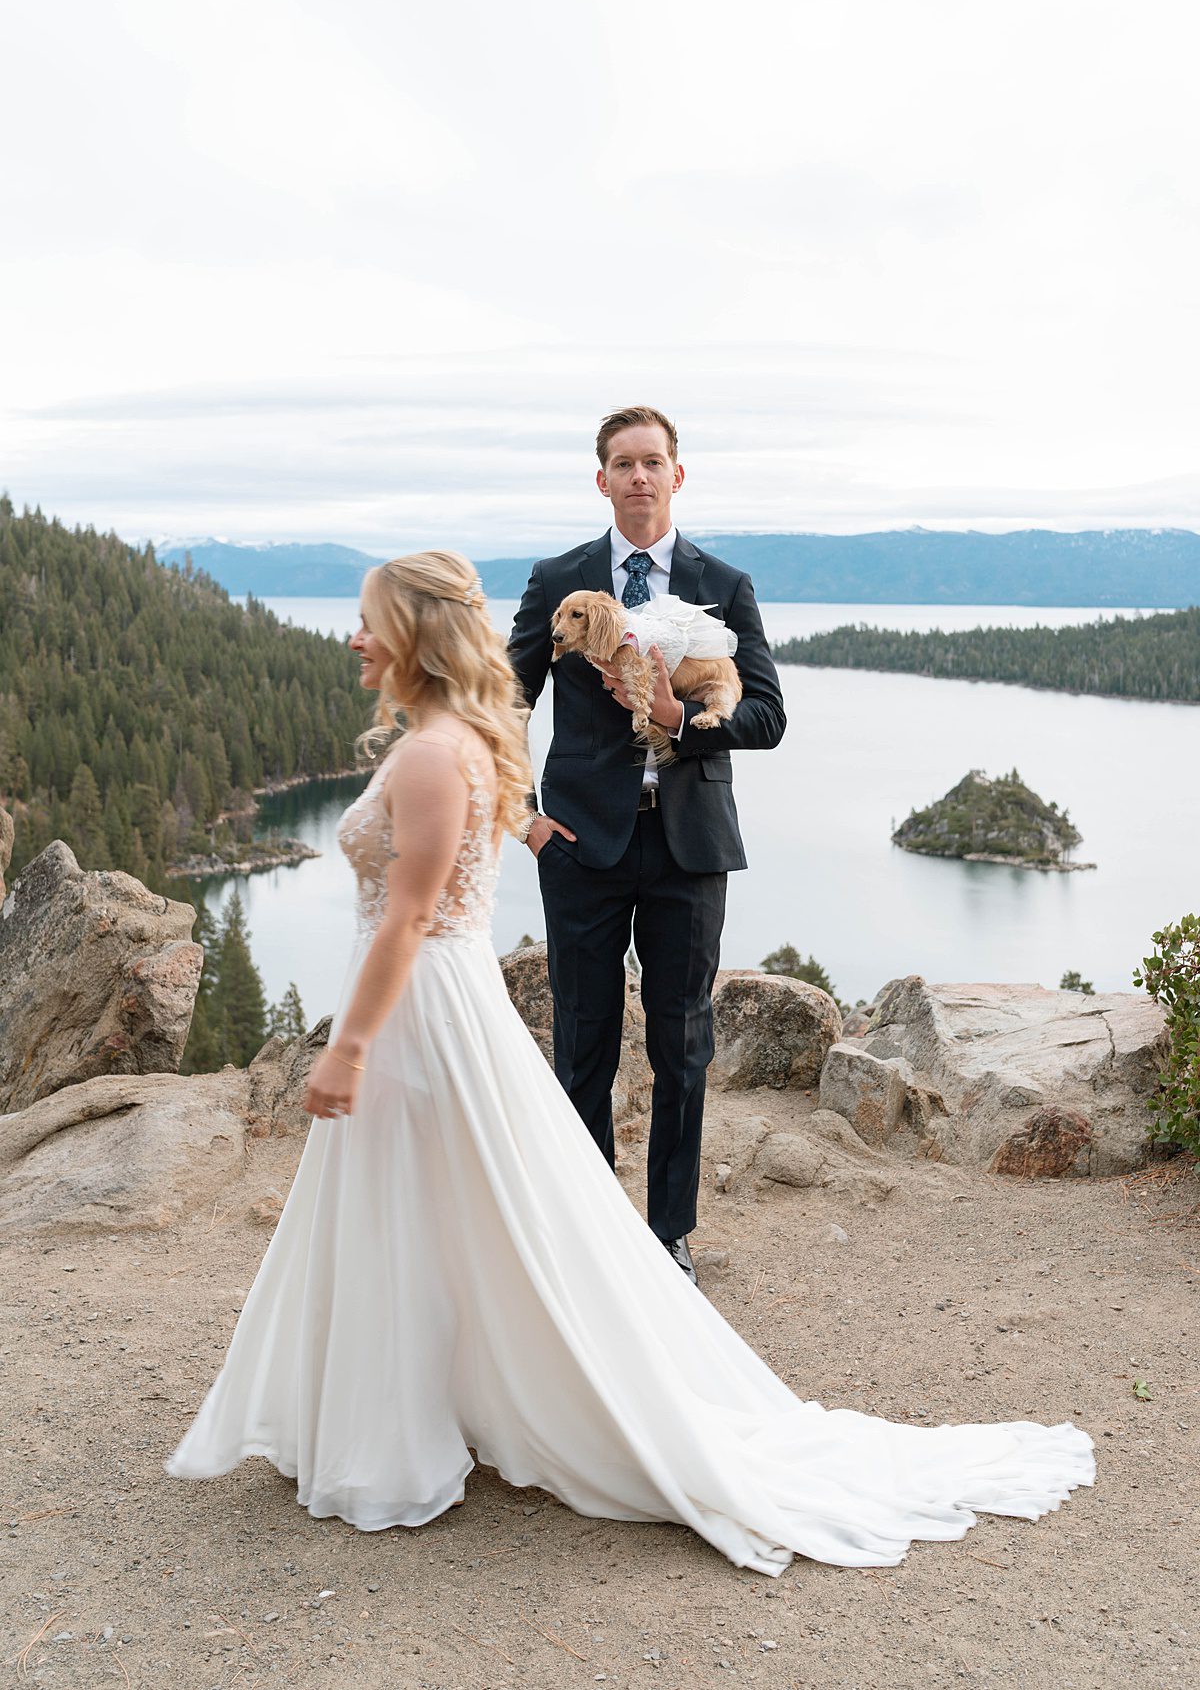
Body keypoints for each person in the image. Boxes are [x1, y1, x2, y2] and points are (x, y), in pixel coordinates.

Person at [165, 548, 1094, 1573]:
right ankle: (414, 1404)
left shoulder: (433, 753)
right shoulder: (459, 737)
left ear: (416, 636)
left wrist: (348, 1045)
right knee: (437, 1200)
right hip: (443, 994)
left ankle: (407, 1425)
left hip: (422, 1007)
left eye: (368, 620)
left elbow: (411, 915)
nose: (353, 637)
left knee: (420, 1194)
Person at [508, 406, 786, 1283]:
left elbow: (767, 715)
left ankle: (669, 1236)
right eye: (623, 463)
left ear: (677, 474)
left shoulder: (724, 584)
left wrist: (681, 715)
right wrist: (524, 818)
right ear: (602, 479)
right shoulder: (557, 580)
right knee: (583, 1042)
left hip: (688, 844)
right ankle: (587, 1236)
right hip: (578, 845)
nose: (639, 476)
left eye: (653, 461)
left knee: (682, 1044)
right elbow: (503, 703)